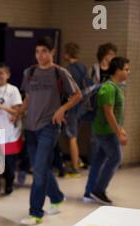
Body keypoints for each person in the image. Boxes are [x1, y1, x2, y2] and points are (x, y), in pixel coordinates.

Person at [18, 36, 82, 226]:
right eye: (37, 51)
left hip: (49, 127)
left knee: (38, 170)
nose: (40, 55)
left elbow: (77, 94)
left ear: (52, 52)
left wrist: (62, 109)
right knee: (42, 168)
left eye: (44, 51)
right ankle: (57, 197)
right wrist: (18, 113)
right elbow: (28, 98)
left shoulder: (59, 73)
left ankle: (35, 213)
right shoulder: (29, 72)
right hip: (30, 127)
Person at [84, 57, 130, 205]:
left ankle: (90, 190)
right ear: (117, 70)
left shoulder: (117, 87)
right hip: (105, 132)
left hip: (108, 130)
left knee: (99, 160)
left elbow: (116, 113)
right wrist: (118, 133)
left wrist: (121, 129)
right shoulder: (108, 88)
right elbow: (108, 113)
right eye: (126, 69)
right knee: (116, 158)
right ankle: (98, 190)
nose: (128, 72)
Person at [0, 64, 23, 204]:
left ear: (8, 75)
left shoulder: (13, 90)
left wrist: (3, 108)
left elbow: (18, 111)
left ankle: (9, 185)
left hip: (8, 134)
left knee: (9, 166)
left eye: (2, 73)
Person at [63, 42, 89, 177]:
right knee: (75, 135)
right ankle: (77, 160)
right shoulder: (83, 67)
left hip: (73, 106)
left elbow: (67, 89)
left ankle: (75, 168)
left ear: (67, 54)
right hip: (82, 106)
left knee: (71, 137)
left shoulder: (69, 70)